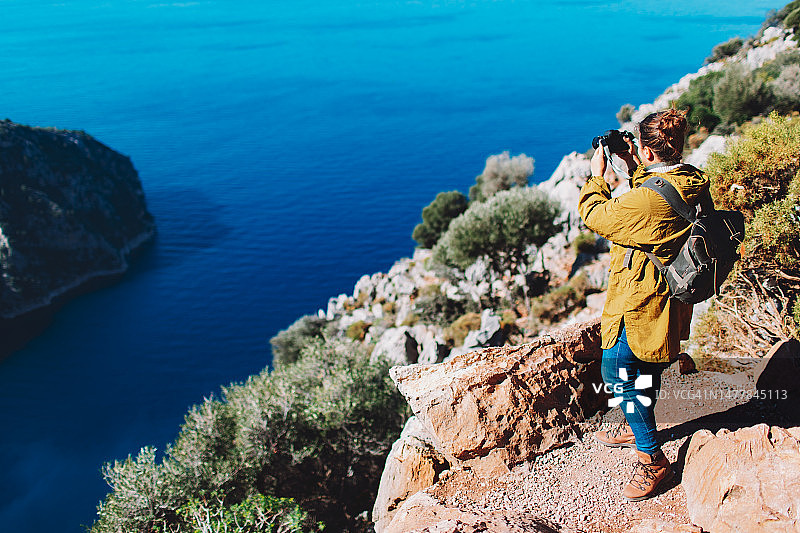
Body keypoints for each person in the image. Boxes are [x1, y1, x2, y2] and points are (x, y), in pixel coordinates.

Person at [577, 108, 711, 502]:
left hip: (640, 300)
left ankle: (652, 459)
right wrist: (635, 164)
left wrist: (597, 177)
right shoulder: (689, 180)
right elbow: (656, 194)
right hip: (670, 294)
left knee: (617, 371)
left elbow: (596, 216)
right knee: (644, 367)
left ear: (649, 151)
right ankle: (638, 423)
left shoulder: (646, 202)